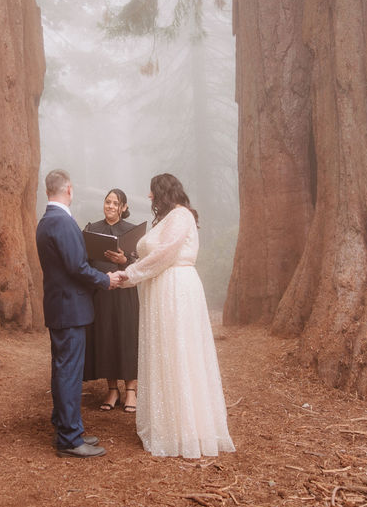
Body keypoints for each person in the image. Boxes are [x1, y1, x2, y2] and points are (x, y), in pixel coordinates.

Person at [113, 173, 235, 458]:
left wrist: (128, 274)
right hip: (161, 289)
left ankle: (186, 429)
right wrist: (130, 268)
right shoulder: (168, 219)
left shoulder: (181, 216)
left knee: (180, 351)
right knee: (166, 352)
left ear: (164, 193)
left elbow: (165, 253)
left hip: (176, 289)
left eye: (153, 192)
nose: (150, 197)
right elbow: (154, 255)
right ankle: (168, 423)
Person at [36, 169, 121, 458]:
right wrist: (105, 280)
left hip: (62, 306)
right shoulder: (61, 221)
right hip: (69, 308)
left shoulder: (47, 220)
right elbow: (77, 267)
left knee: (63, 370)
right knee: (68, 373)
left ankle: (66, 428)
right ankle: (70, 439)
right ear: (69, 190)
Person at [83, 189, 140, 413]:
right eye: (108, 202)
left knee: (126, 336)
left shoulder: (133, 231)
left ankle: (131, 392)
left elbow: (141, 263)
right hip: (103, 291)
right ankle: (112, 389)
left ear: (123, 208)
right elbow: (85, 261)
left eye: (116, 203)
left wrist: (124, 260)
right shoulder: (93, 229)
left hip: (125, 291)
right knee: (106, 337)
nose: (110, 206)